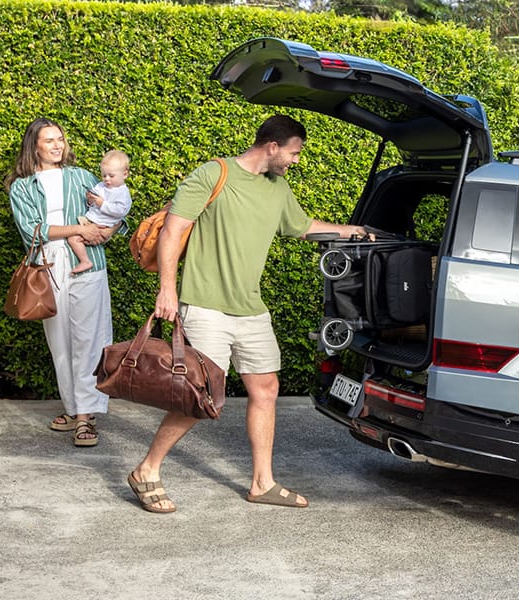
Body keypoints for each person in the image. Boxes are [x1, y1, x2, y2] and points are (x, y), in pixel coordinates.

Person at [127, 115, 371, 513]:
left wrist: (353, 231)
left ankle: (262, 482)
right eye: (293, 153)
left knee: (266, 389)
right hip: (205, 303)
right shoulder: (213, 174)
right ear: (272, 147)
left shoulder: (278, 189)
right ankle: (147, 469)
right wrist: (167, 289)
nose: (295, 161)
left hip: (251, 308)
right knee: (203, 395)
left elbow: (302, 226)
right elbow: (173, 230)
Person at [5, 118, 116, 448]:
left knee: (90, 338)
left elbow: (111, 210)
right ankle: (73, 407)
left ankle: (86, 417)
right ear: (34, 146)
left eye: (60, 139)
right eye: (48, 140)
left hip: (87, 263)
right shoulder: (22, 187)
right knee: (61, 341)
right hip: (47, 265)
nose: (57, 145)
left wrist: (104, 231)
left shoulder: (82, 177)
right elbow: (33, 231)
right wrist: (78, 230)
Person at [66, 150, 133, 274]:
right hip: (91, 220)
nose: (107, 179)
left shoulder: (122, 193)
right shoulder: (101, 186)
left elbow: (121, 211)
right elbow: (92, 203)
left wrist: (102, 204)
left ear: (125, 174)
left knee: (73, 238)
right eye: (104, 175)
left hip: (103, 225)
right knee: (75, 237)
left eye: (111, 176)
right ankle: (84, 260)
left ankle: (85, 261)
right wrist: (90, 199)